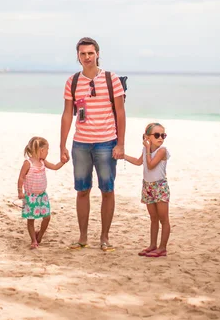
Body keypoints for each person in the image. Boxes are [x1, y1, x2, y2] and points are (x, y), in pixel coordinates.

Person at [60, 37, 126, 252]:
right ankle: (82, 237)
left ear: (97, 53)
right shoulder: (72, 82)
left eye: (90, 53)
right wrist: (62, 145)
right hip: (81, 144)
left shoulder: (111, 79)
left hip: (107, 143)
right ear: (77, 57)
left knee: (107, 190)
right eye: (82, 54)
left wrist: (121, 144)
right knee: (82, 191)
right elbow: (67, 114)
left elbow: (121, 113)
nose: (87, 57)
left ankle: (105, 238)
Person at [124, 122, 171, 258]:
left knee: (164, 218)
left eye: (163, 135)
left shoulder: (162, 151)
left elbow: (150, 165)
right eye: (157, 135)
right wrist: (123, 156)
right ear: (147, 137)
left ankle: (162, 248)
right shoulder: (146, 149)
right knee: (153, 218)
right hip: (148, 186)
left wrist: (149, 149)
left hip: (159, 186)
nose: (160, 138)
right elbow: (140, 162)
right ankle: (152, 245)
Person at [17, 136, 64, 250]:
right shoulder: (28, 163)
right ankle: (33, 240)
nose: (47, 152)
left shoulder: (43, 162)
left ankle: (40, 235)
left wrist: (63, 162)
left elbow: (54, 167)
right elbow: (21, 178)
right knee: (31, 219)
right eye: (47, 150)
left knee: (47, 217)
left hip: (42, 196)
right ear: (41, 150)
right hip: (30, 197)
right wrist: (20, 192)